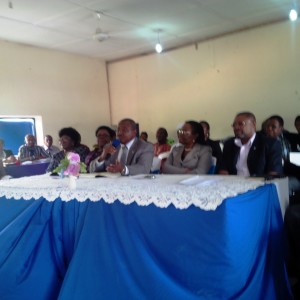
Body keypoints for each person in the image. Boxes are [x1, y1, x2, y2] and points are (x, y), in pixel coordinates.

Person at [219, 112, 283, 177]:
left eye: (241, 124)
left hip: (259, 184)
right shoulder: (229, 144)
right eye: (234, 125)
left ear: (253, 124)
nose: (236, 127)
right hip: (233, 184)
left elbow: (274, 173)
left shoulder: (270, 144)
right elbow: (223, 169)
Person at [266, 115, 300, 196]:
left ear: (281, 128)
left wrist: (287, 159)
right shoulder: (261, 141)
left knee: (283, 186)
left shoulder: (292, 138)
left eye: (273, 127)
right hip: (271, 175)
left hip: (293, 175)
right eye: (268, 127)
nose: (269, 129)